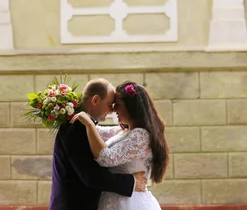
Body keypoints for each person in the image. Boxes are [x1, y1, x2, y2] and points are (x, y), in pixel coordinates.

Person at [50, 78, 148, 210]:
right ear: (95, 100)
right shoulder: (76, 128)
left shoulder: (85, 127)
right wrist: (131, 182)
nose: (112, 110)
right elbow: (92, 177)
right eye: (110, 104)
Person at [71, 81, 169, 210]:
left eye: (117, 105)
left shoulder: (140, 136)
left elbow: (107, 158)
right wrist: (68, 111)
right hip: (113, 200)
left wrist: (89, 124)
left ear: (130, 107)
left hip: (128, 202)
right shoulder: (122, 131)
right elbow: (97, 132)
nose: (113, 109)